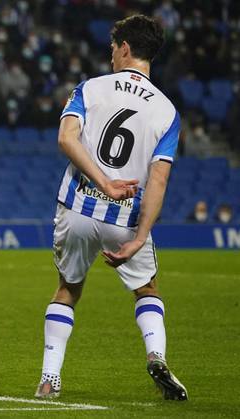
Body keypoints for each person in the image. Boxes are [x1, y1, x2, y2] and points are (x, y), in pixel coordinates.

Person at [35, 15, 187, 401]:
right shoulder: (168, 112)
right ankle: (156, 355)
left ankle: (49, 379)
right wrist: (138, 239)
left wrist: (101, 181)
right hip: (125, 217)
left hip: (78, 208)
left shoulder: (90, 88)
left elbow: (66, 138)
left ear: (123, 48)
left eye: (113, 48)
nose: (111, 55)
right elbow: (159, 180)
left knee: (68, 288)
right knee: (146, 288)